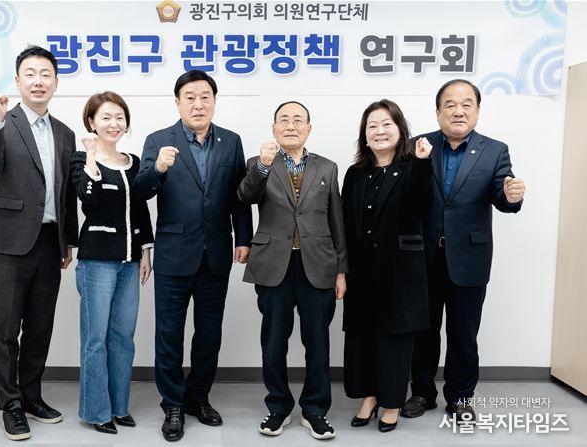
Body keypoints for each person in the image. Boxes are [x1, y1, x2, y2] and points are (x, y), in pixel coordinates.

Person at [134, 70, 253, 442]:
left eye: (205, 97)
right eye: (190, 97)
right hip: (174, 254)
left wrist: (244, 238)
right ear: (177, 103)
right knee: (168, 335)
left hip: (216, 252)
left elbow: (239, 196)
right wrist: (158, 169)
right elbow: (140, 191)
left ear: (214, 102)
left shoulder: (231, 141)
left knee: (209, 334)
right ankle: (173, 403)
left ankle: (198, 397)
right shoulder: (158, 141)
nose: (198, 104)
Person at [402, 79, 526, 422]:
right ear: (438, 111)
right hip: (424, 258)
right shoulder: (418, 145)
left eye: (466, 104)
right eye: (450, 105)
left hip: (469, 258)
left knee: (464, 333)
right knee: (423, 332)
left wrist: (511, 197)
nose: (459, 111)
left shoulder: (494, 150)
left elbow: (502, 194)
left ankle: (460, 396)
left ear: (477, 110)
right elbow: (407, 195)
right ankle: (422, 393)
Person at [0, 46, 78, 441]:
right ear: (18, 81)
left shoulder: (65, 133)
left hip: (50, 242)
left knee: (40, 327)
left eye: (45, 74)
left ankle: (32, 396)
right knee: (5, 329)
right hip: (6, 242)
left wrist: (68, 241)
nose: (38, 81)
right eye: (30, 74)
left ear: (56, 82)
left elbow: (66, 194)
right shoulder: (3, 122)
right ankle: (11, 405)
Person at [237, 101, 347, 441]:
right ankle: (278, 407)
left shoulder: (327, 167)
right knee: (274, 341)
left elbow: (337, 221)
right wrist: (263, 166)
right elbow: (245, 196)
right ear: (273, 129)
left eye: (298, 120)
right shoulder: (259, 163)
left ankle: (315, 410)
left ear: (309, 129)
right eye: (283, 120)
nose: (291, 125)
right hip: (274, 265)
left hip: (318, 265)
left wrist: (341, 270)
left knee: (318, 342)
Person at [341, 99, 433, 433]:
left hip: (400, 271)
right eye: (372, 126)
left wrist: (422, 163)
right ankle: (368, 397)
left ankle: (392, 402)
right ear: (364, 135)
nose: (379, 131)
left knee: (394, 340)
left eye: (386, 124)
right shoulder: (355, 173)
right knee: (362, 338)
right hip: (361, 271)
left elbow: (420, 201)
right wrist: (341, 269)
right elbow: (345, 224)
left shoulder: (413, 166)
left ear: (400, 129)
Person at [70, 92, 154, 434]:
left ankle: (119, 407)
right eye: (105, 117)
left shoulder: (133, 162)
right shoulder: (80, 160)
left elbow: (141, 207)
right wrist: (91, 156)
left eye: (119, 117)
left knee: (123, 337)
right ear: (91, 122)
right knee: (96, 340)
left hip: (130, 261)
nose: (113, 123)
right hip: (97, 262)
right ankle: (96, 411)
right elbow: (88, 201)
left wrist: (146, 249)